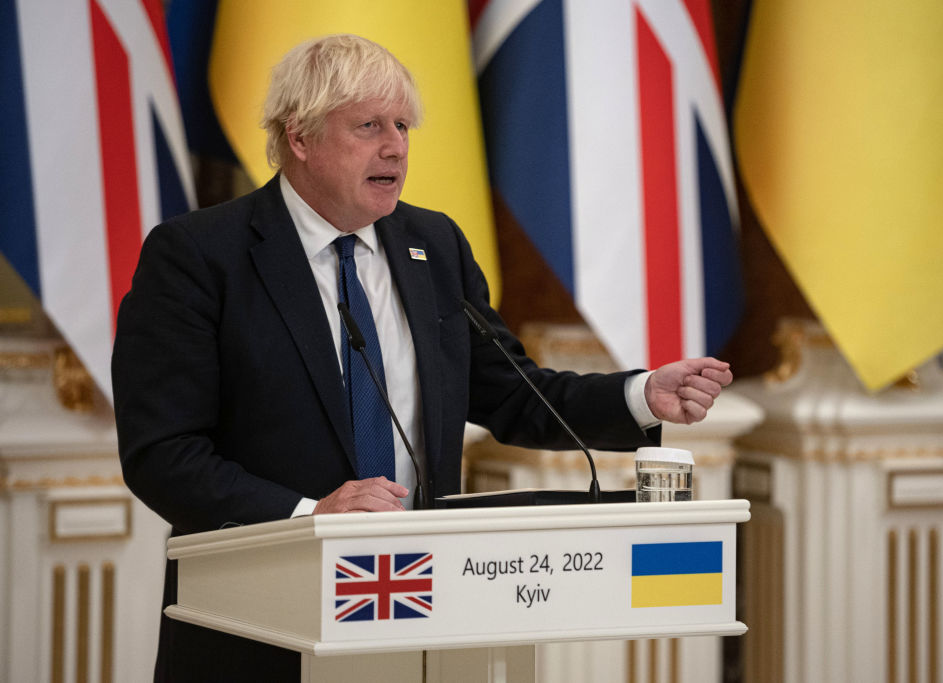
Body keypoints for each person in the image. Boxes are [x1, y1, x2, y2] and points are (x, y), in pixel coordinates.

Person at [112, 34, 733, 682]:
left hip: (426, 618)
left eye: (403, 125)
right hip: (257, 633)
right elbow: (162, 453)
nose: (396, 146)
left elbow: (514, 391)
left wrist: (640, 395)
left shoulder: (433, 245)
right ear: (299, 137)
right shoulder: (199, 256)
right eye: (369, 126)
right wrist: (311, 517)